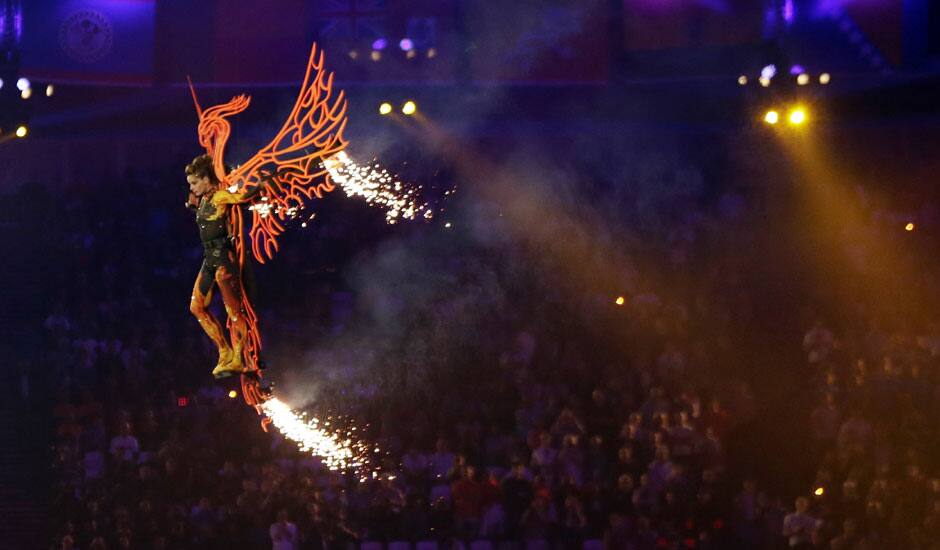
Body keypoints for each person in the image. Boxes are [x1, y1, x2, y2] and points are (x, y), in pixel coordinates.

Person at [185, 154, 266, 378]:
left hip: (223, 259)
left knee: (233, 310)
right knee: (196, 307)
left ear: (205, 179)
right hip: (209, 258)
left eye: (194, 183)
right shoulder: (203, 200)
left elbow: (242, 196)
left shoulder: (220, 196)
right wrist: (193, 206)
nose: (191, 188)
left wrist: (260, 184)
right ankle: (224, 351)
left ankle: (239, 357)